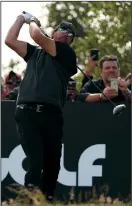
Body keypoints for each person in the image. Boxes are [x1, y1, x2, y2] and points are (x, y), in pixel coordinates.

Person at [5, 11, 77, 201]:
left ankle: (46, 200)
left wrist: (33, 21)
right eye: (63, 29)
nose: (66, 34)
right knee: (36, 163)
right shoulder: (34, 53)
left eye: (70, 34)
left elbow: (36, 35)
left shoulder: (66, 53)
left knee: (53, 165)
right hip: (27, 113)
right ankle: (29, 202)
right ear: (53, 33)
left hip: (52, 114)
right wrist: (20, 18)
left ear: (70, 42)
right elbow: (10, 40)